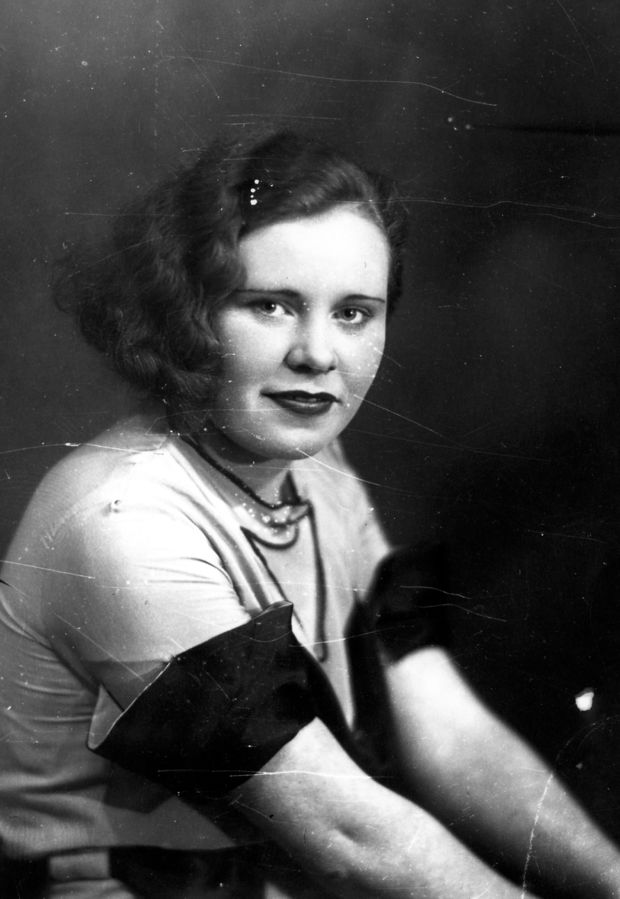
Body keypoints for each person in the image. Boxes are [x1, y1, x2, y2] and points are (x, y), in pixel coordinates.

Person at [0, 130, 618, 899]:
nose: (318, 353)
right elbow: (344, 834)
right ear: (187, 313)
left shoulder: (317, 469)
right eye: (271, 305)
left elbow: (447, 726)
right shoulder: (119, 517)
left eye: (354, 313)